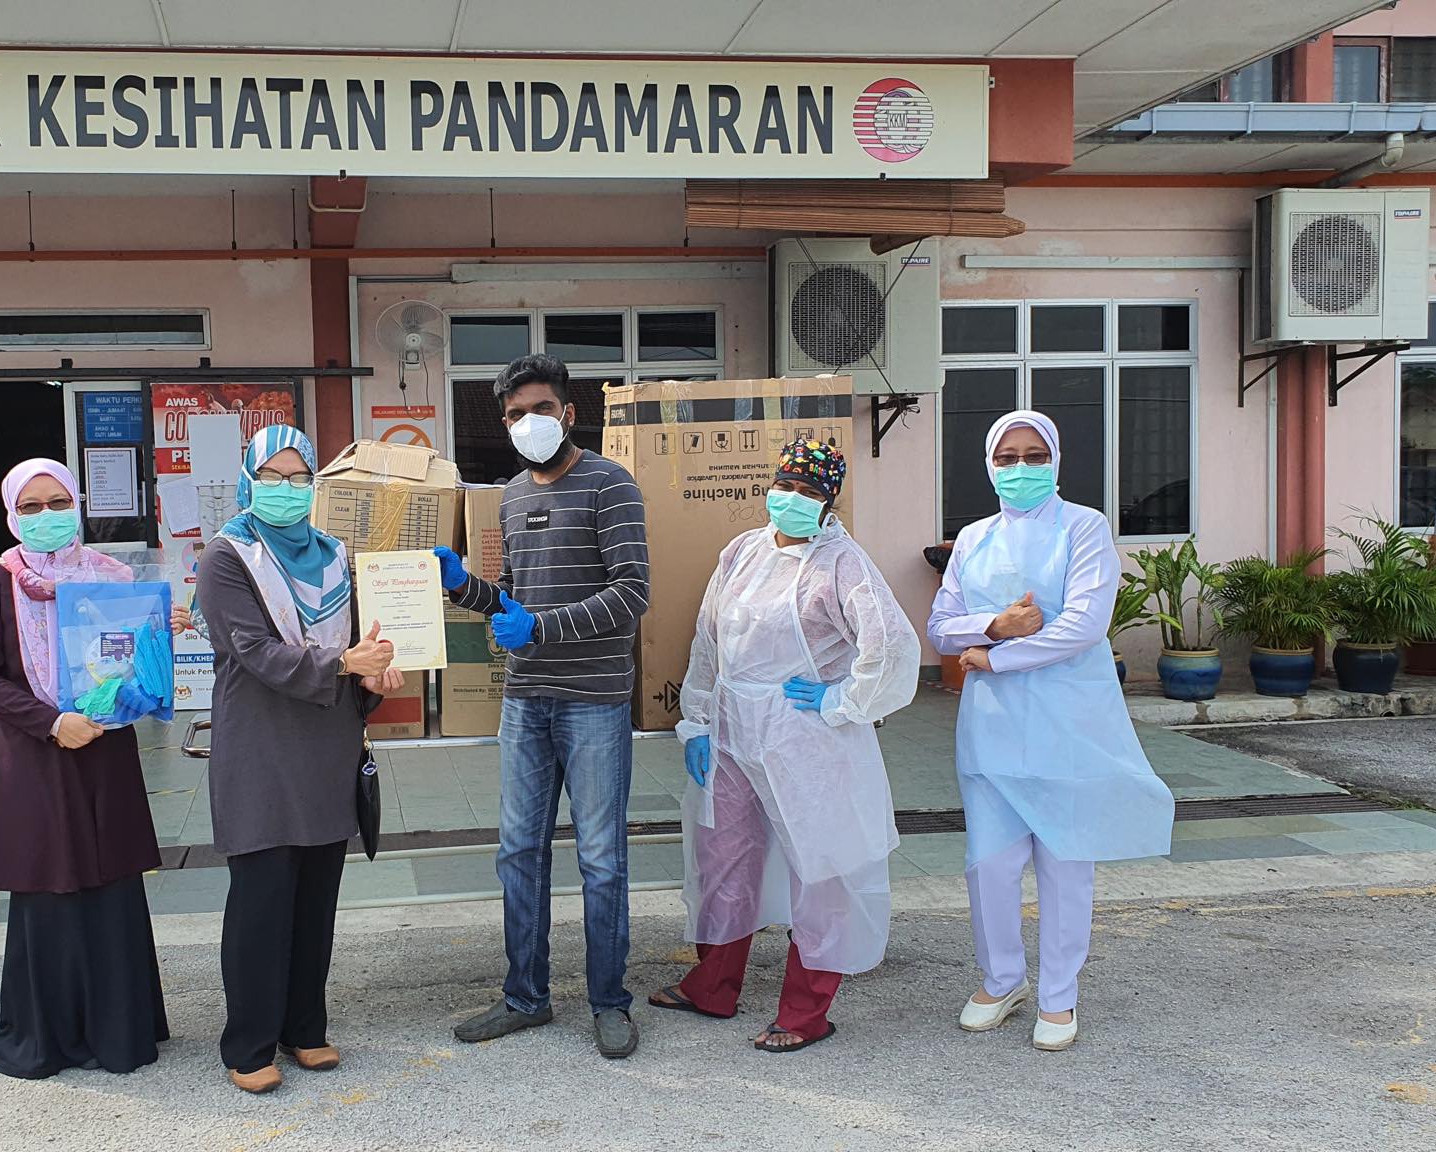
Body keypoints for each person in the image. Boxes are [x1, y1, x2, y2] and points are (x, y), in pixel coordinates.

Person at [648, 438, 918, 1052]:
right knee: (725, 855)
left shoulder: (842, 564)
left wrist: (842, 699)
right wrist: (697, 721)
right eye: (786, 485)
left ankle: (805, 1011)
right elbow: (708, 641)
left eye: (809, 491)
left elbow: (892, 648)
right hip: (731, 728)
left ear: (830, 502)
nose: (792, 498)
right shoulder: (742, 551)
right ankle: (712, 986)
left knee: (819, 866)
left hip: (806, 737)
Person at [926, 411, 1174, 1052]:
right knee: (990, 864)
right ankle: (1001, 980)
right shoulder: (973, 537)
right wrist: (994, 628)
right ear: (989, 465)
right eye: (1006, 457)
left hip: (1067, 720)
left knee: (1065, 862)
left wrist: (996, 657)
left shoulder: (1083, 527)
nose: (1020, 468)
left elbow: (1085, 625)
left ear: (1056, 460)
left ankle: (1059, 995)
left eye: (1034, 456)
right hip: (991, 726)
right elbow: (940, 626)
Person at [434, 353, 651, 1059]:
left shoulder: (610, 484)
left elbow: (633, 592)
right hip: (526, 699)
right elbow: (514, 601)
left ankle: (610, 1002)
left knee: (601, 859)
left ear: (569, 412)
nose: (529, 422)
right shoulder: (511, 495)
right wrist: (463, 587)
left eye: (541, 408)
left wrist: (542, 629)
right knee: (518, 852)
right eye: (515, 414)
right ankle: (525, 997)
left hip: (593, 701)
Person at [195, 424, 402, 1094]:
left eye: (297, 478)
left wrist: (375, 674)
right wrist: (344, 663)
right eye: (272, 477)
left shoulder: (336, 556)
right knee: (261, 901)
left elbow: (360, 648)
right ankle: (249, 1042)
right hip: (259, 748)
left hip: (324, 747)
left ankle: (305, 1028)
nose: (285, 489)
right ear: (249, 480)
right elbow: (253, 652)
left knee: (316, 900)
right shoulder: (227, 556)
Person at [0, 458, 177, 1080]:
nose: (47, 516)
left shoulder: (112, 576)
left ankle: (120, 1030)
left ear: (78, 505)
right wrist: (53, 723)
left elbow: (132, 662)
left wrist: (159, 633)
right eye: (30, 507)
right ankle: (49, 1034)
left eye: (58, 503)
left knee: (112, 887)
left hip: (105, 750)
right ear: (11, 514)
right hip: (36, 755)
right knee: (49, 888)